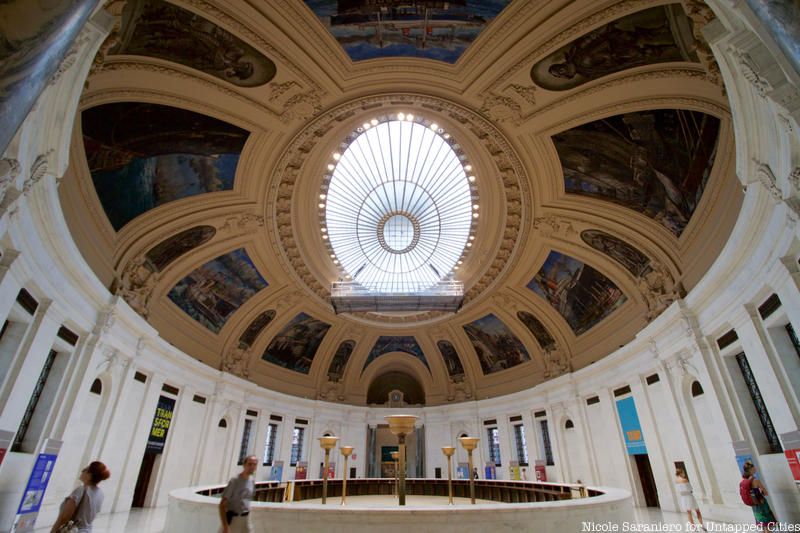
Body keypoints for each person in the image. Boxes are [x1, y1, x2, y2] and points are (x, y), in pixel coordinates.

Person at [50, 461, 110, 533]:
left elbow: (64, 518)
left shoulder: (81, 490)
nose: (82, 471)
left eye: (85, 470)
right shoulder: (100, 494)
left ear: (89, 475)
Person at [219, 455, 257, 533]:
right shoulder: (235, 481)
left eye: (254, 464)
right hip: (233, 519)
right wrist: (225, 526)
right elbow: (222, 505)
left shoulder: (252, 481)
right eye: (250, 464)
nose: (252, 466)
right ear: (244, 465)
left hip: (246, 519)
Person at [740, 460, 777, 527]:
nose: (755, 469)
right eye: (754, 468)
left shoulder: (745, 481)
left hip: (754, 505)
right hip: (761, 503)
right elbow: (765, 493)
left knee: (762, 525)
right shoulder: (756, 481)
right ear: (751, 470)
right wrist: (762, 491)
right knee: (767, 525)